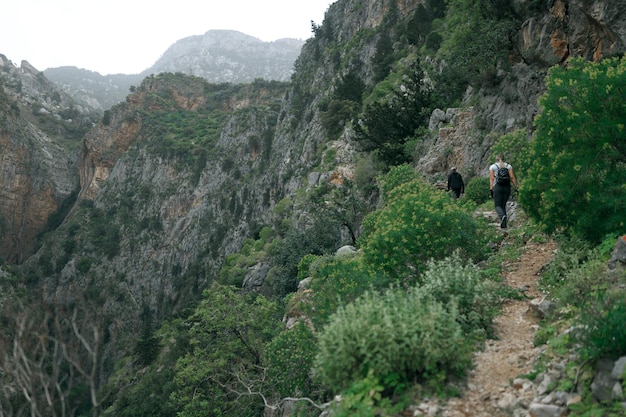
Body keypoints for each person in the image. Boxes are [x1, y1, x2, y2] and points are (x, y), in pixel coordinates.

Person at [489, 154, 518, 228]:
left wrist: (491, 188)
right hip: (507, 187)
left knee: (497, 205)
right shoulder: (508, 166)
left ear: (496, 159)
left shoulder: (493, 167)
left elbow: (492, 178)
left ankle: (502, 217)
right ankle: (504, 224)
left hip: (497, 187)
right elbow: (512, 177)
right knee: (503, 205)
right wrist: (516, 187)